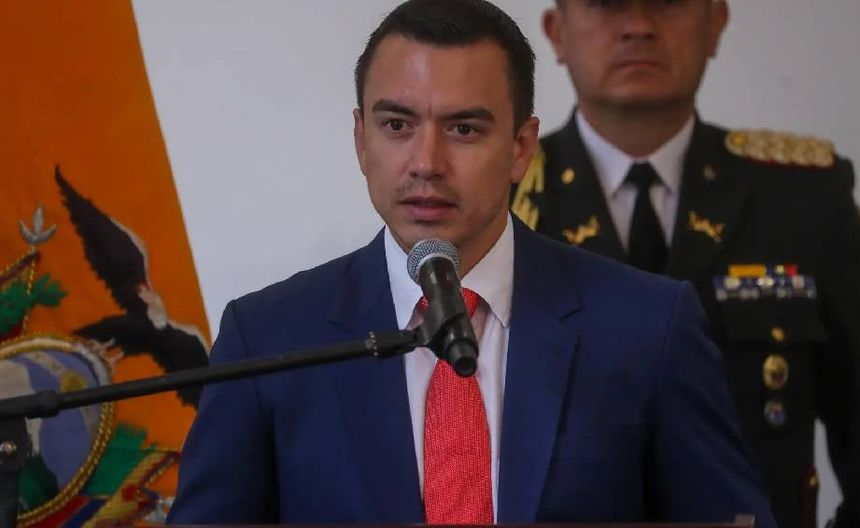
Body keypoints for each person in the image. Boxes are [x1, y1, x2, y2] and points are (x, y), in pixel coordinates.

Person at [169, 0, 777, 525]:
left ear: (521, 147)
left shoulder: (649, 325)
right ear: (361, 139)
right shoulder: (267, 338)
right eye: (397, 124)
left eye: (463, 129)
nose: (426, 162)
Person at [511, 2, 860, 528]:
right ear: (557, 32)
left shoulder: (802, 198)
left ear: (715, 23)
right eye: (606, 4)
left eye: (668, 2)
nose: (638, 26)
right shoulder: (500, 200)